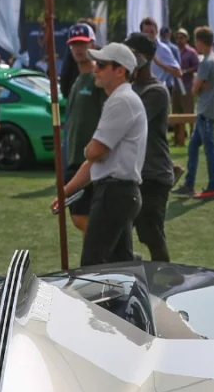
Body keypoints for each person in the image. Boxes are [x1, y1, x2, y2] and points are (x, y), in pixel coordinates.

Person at [51, 43, 145, 268]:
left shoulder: (121, 100)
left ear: (120, 71)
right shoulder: (119, 99)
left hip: (114, 194)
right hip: (118, 193)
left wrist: (89, 150)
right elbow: (93, 160)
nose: (96, 69)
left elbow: (95, 152)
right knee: (120, 266)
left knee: (94, 266)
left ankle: (103, 304)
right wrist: (65, 192)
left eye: (102, 65)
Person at [125, 32, 172, 261]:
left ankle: (166, 282)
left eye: (132, 54)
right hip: (133, 174)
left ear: (145, 58)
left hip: (153, 174)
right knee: (119, 234)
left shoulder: (156, 91)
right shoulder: (130, 88)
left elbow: (131, 122)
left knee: (152, 236)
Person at [62, 24, 104, 234]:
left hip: (90, 159)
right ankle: (112, 252)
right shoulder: (77, 80)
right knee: (79, 216)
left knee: (82, 216)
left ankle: (113, 252)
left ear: (93, 44)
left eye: (83, 43)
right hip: (74, 157)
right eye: (74, 44)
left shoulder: (99, 79)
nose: (78, 49)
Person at [176, 27, 214, 200]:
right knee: (193, 146)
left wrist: (199, 84)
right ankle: (189, 183)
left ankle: (212, 187)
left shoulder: (206, 62)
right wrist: (202, 84)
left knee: (210, 150)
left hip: (205, 110)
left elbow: (194, 88)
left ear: (200, 42)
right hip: (211, 108)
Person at [173, 28, 200, 146]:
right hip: (176, 86)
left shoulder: (191, 52)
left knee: (188, 111)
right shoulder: (173, 51)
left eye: (182, 37)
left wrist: (186, 71)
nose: (180, 40)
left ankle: (194, 135)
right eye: (178, 37)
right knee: (176, 112)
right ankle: (179, 137)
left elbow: (197, 67)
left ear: (187, 38)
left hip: (187, 85)